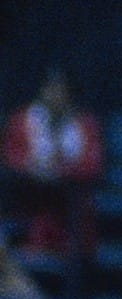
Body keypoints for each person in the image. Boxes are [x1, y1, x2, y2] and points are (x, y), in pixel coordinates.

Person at [3, 65, 107, 261]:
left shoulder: (85, 124)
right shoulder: (22, 121)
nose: (55, 96)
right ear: (42, 91)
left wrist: (60, 170)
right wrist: (33, 168)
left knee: (73, 201)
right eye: (51, 90)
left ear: (70, 94)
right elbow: (11, 158)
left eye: (61, 91)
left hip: (69, 200)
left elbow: (93, 164)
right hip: (29, 195)